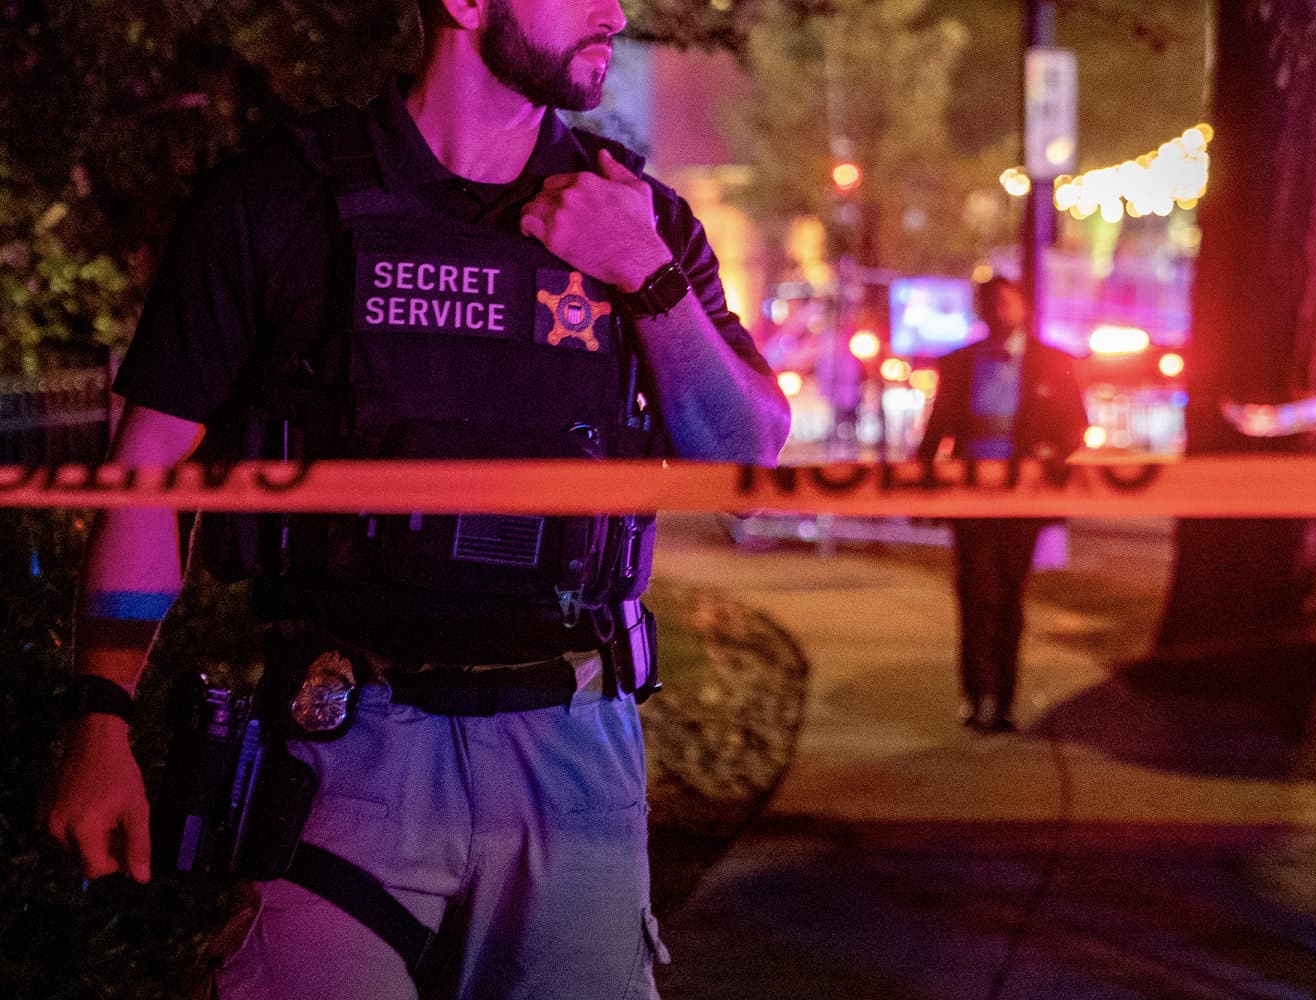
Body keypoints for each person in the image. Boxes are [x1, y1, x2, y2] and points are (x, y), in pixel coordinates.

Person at [40, 0, 790, 996]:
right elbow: (148, 472)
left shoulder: (633, 216)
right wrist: (101, 717)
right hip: (343, 750)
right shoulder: (274, 203)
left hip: (572, 758)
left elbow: (748, 469)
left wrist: (648, 276)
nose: (615, 10)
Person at [915, 275, 1086, 733]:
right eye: (990, 304)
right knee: (972, 594)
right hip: (969, 496)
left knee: (1010, 596)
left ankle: (1004, 701)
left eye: (1007, 302)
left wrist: (1049, 454)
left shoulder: (1054, 363)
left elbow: (1076, 425)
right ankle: (974, 698)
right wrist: (917, 484)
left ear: (1023, 307)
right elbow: (937, 429)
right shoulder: (958, 363)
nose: (998, 312)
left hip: (1022, 499)